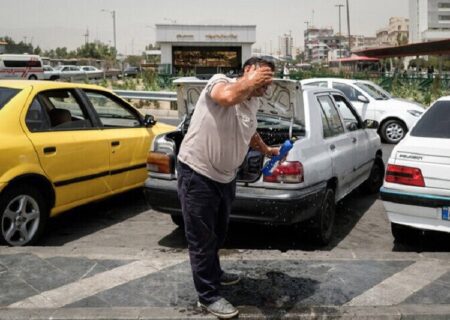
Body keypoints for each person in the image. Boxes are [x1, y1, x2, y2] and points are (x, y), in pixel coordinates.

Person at [177, 57, 278, 319]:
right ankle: (207, 296)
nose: (267, 86)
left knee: (218, 233)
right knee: (201, 239)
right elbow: (226, 98)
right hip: (197, 174)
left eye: (269, 81)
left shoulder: (253, 101)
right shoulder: (220, 82)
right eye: (264, 78)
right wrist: (250, 80)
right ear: (248, 71)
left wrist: (266, 149)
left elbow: (249, 131)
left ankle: (215, 274)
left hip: (225, 177)